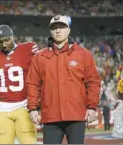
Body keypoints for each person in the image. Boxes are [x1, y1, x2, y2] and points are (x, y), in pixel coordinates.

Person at [26, 15, 101, 144]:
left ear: (68, 30)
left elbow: (93, 82)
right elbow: (32, 84)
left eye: (61, 27)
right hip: (51, 116)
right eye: (54, 28)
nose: (58, 30)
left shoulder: (83, 54)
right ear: (50, 31)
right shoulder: (40, 57)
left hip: (76, 115)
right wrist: (32, 108)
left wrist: (92, 106)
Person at [0, 25, 38, 144]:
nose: (4, 44)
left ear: (13, 37)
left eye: (7, 40)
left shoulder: (28, 49)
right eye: (0, 42)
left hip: (24, 106)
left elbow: (38, 79)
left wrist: (37, 106)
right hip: (2, 109)